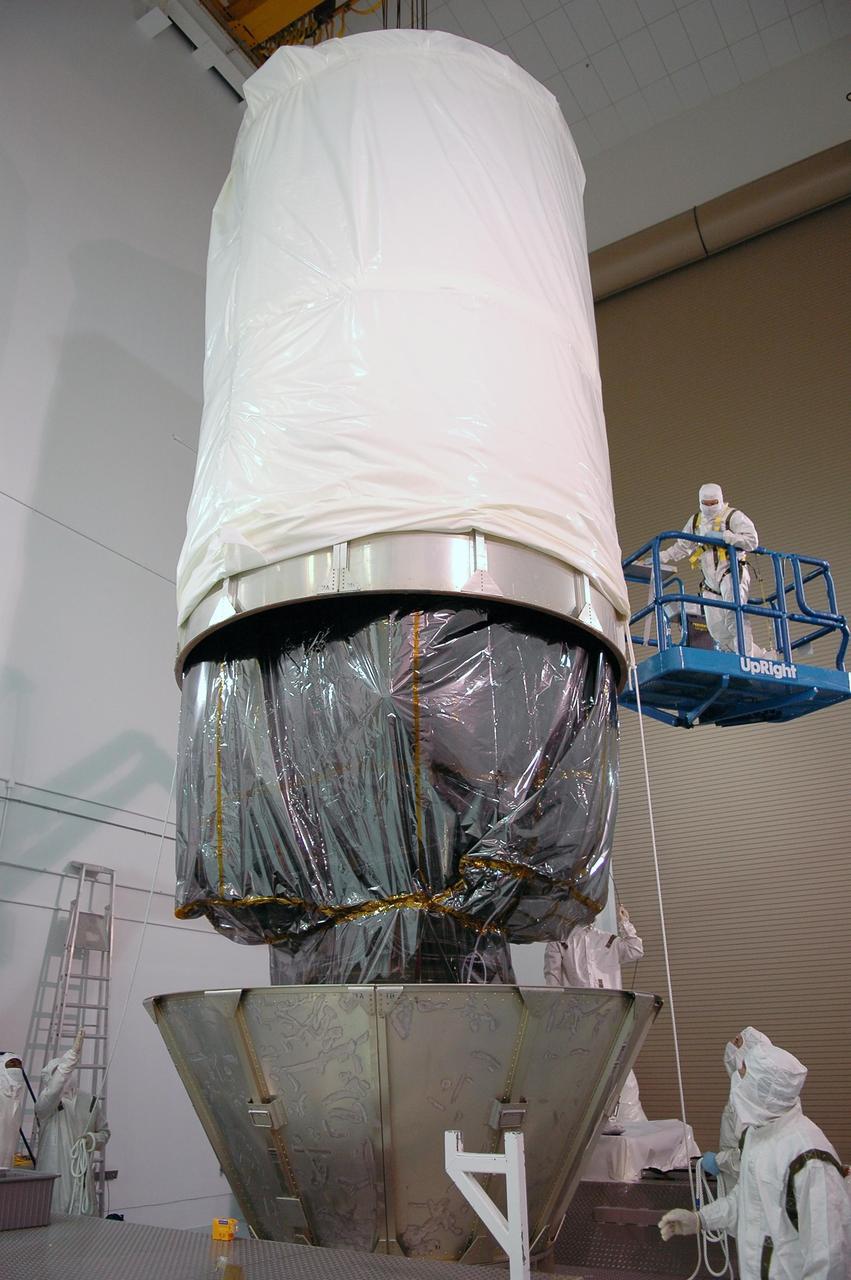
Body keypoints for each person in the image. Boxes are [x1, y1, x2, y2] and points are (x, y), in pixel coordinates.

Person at [659, 1033, 851, 1279]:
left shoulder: (809, 1158)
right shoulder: (757, 1135)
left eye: (743, 1074)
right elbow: (747, 1198)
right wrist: (701, 1219)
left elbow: (830, 1258)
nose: (737, 1081)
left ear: (765, 1089)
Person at [545, 905, 646, 1123]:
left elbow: (635, 950)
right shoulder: (561, 942)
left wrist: (625, 924)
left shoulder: (607, 940)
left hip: (611, 1017)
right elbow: (553, 983)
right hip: (580, 1021)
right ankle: (588, 1126)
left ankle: (629, 1124)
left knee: (620, 1073)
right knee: (584, 1073)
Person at [658, 483, 764, 656]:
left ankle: (746, 659)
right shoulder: (696, 521)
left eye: (713, 503)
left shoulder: (733, 516)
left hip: (731, 572)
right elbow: (683, 545)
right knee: (716, 629)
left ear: (720, 500)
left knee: (734, 616)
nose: (709, 507)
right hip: (709, 582)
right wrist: (662, 556)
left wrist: (726, 537)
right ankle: (754, 656)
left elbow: (752, 541)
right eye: (705, 503)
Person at [35, 1029, 110, 1214]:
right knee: (56, 1222)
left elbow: (104, 1133)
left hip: (82, 1180)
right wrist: (72, 1055)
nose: (65, 1076)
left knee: (84, 1223)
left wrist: (91, 1140)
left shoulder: (90, 1102)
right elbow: (56, 1087)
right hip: (55, 1179)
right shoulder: (46, 1106)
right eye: (60, 1073)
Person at [700, 1026, 771, 1204]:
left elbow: (750, 1156)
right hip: (740, 1183)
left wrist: (718, 1161)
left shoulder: (749, 1099)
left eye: (737, 1042)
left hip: (743, 1185)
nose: (730, 1046)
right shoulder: (745, 1090)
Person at [0, 1052, 26, 1167]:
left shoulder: (16, 1102)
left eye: (19, 1065)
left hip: (6, 1161)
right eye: (12, 1064)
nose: (16, 1068)